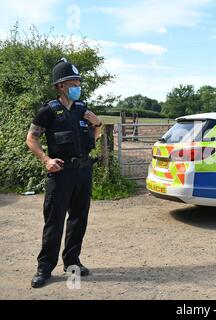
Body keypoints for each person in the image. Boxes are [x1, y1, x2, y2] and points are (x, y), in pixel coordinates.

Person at [26, 58, 102, 288]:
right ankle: (44, 268)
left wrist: (97, 125)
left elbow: (94, 138)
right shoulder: (48, 111)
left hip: (83, 172)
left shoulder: (82, 110)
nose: (78, 85)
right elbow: (31, 139)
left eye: (79, 81)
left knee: (79, 220)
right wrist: (46, 159)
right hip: (61, 174)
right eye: (73, 82)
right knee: (54, 221)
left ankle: (72, 262)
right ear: (61, 86)